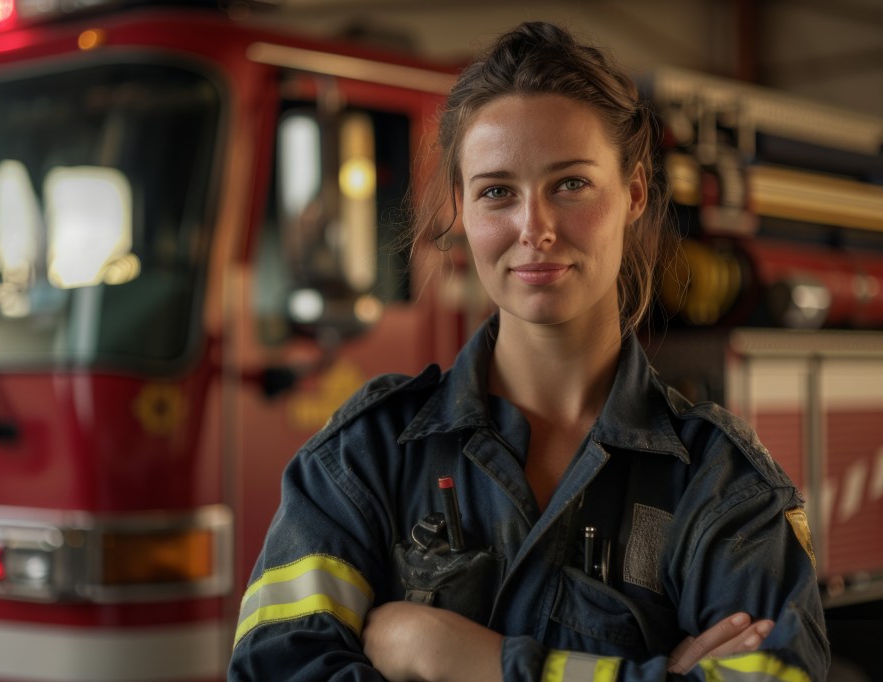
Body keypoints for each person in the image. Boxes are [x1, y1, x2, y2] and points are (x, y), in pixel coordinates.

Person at [228, 21, 829, 682]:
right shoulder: (360, 460)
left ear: (633, 193)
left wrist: (467, 662)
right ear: (460, 210)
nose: (534, 229)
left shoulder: (724, 487)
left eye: (570, 184)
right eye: (497, 192)